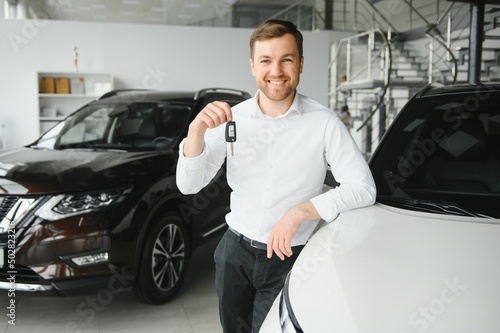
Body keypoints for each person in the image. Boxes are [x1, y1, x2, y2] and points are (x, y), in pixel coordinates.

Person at [176, 19, 376, 332]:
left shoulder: (324, 122)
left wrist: (302, 211)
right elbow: (189, 185)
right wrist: (195, 131)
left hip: (290, 258)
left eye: (287, 59)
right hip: (233, 255)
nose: (276, 71)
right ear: (253, 66)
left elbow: (363, 188)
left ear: (300, 64)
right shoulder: (232, 120)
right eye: (267, 60)